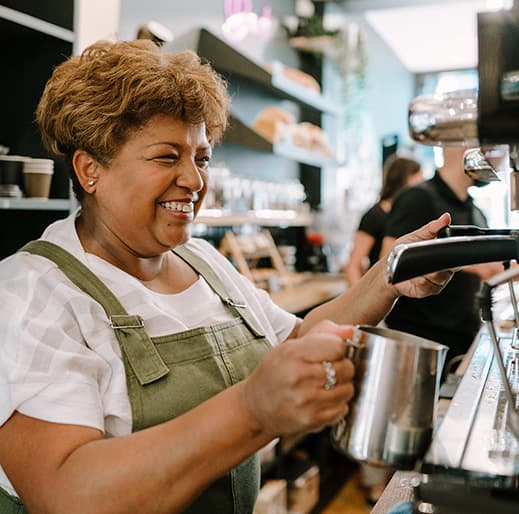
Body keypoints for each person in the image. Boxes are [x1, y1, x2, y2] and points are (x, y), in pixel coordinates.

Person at [0, 40, 453, 514]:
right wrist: (250, 411)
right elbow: (66, 492)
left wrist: (390, 274)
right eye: (166, 156)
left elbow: (295, 340)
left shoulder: (203, 261)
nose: (195, 181)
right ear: (90, 169)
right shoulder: (31, 293)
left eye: (201, 157)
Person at [382, 146, 504, 363]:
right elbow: (388, 265)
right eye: (493, 146)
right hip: (419, 345)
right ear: (463, 145)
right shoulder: (418, 198)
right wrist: (472, 262)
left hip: (464, 340)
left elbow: (493, 267)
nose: (500, 156)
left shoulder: (476, 212)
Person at [344, 155, 424, 286]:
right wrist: (364, 302)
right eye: (419, 180)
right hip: (382, 290)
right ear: (404, 180)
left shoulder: (410, 215)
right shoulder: (374, 216)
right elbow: (353, 266)